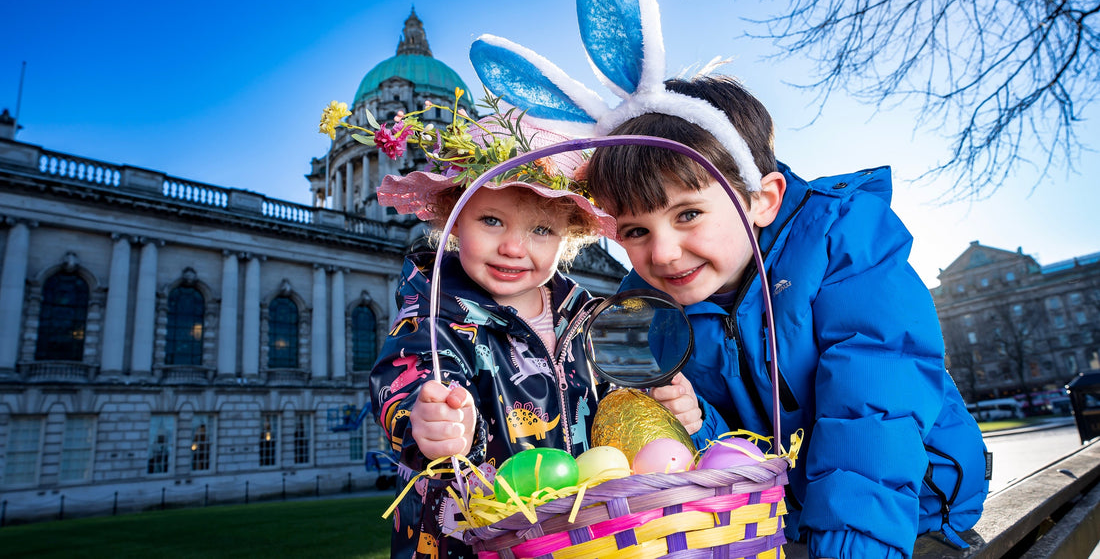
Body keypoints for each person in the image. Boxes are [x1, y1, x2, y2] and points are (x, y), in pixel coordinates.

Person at [581, 74, 990, 558]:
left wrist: (849, 549)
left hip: (913, 509)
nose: (664, 253)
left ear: (761, 199)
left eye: (688, 214)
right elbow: (738, 444)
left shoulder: (842, 242)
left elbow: (874, 407)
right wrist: (697, 421)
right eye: (634, 230)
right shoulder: (650, 307)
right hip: (784, 522)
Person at [354, 100, 617, 559]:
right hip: (469, 541)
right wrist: (430, 416)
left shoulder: (586, 313)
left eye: (540, 229)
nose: (514, 247)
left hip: (577, 538)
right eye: (492, 221)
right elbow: (410, 374)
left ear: (568, 236)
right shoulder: (435, 309)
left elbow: (611, 405)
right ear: (453, 222)